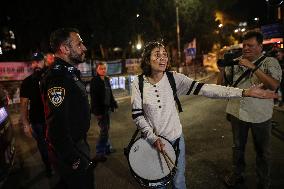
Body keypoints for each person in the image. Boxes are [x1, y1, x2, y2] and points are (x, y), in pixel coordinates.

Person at [131, 41, 278, 189]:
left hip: (176, 140)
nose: (163, 58)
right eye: (157, 55)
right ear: (147, 59)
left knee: (179, 181)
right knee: (158, 186)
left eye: (165, 55)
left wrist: (244, 92)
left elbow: (207, 89)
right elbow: (137, 115)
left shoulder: (173, 78)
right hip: (153, 143)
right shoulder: (138, 83)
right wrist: (152, 137)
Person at [217, 31, 282, 189]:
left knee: (262, 151)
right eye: (244, 45)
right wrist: (222, 68)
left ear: (260, 46)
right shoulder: (236, 62)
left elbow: (274, 85)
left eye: (250, 45)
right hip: (237, 112)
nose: (246, 48)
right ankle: (237, 175)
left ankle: (263, 182)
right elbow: (220, 86)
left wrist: (252, 67)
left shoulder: (270, 62)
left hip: (260, 115)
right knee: (237, 147)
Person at [40, 28, 94, 189]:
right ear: (65, 49)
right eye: (79, 44)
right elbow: (56, 125)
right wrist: (72, 158)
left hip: (77, 145)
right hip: (72, 150)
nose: (84, 48)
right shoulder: (58, 78)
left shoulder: (68, 73)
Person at [20, 52, 53, 177]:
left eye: (38, 61)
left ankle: (58, 164)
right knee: (43, 145)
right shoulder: (27, 82)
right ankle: (48, 167)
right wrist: (25, 124)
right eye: (34, 62)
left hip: (52, 119)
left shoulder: (51, 78)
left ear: (44, 62)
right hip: (37, 121)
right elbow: (23, 104)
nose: (36, 64)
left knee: (56, 143)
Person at [90, 62, 118, 162]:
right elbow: (94, 98)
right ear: (97, 70)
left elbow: (109, 93)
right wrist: (97, 112)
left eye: (104, 68)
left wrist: (114, 103)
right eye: (101, 68)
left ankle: (107, 148)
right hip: (100, 110)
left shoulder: (106, 79)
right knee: (104, 131)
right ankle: (99, 153)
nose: (103, 70)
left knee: (106, 130)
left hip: (107, 109)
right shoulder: (94, 81)